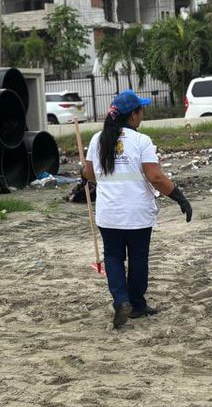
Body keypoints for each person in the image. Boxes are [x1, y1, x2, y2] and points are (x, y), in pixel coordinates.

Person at [82, 90, 192, 329]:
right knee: (138, 257)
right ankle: (138, 305)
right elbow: (155, 177)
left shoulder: (96, 139)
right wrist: (179, 197)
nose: (142, 114)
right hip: (137, 213)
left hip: (108, 213)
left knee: (113, 256)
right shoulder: (142, 141)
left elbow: (89, 174)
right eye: (140, 110)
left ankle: (121, 301)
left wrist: (86, 174)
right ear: (133, 115)